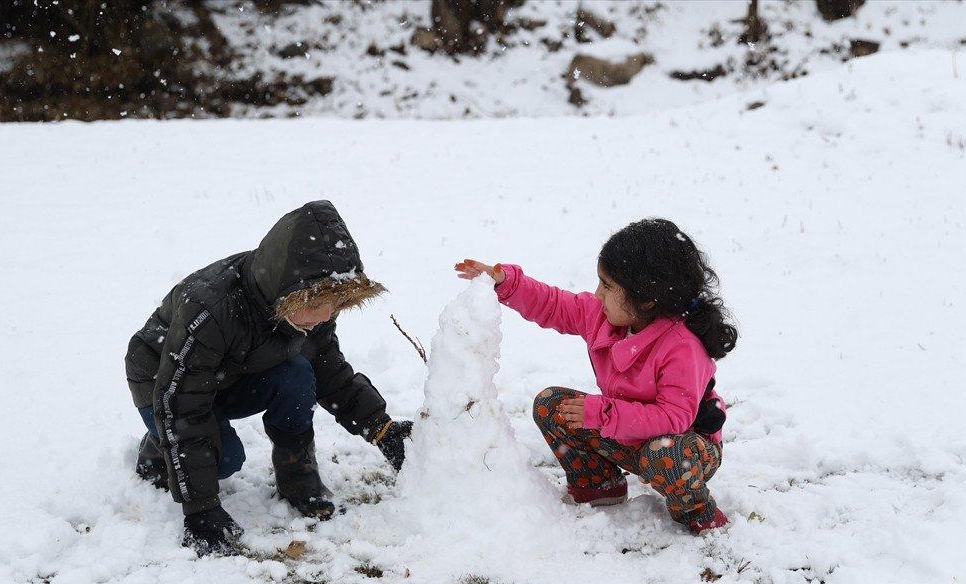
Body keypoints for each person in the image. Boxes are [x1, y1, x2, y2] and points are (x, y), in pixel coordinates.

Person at [126, 200, 412, 556]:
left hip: (230, 374)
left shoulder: (307, 305)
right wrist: (201, 510)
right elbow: (181, 404)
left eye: (335, 303)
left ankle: (297, 472)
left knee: (298, 373)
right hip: (163, 383)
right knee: (225, 460)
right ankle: (158, 449)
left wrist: (382, 429)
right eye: (317, 303)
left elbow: (328, 370)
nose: (325, 315)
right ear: (286, 287)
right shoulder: (212, 309)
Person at [455, 218, 737, 533]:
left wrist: (602, 414)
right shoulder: (604, 316)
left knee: (665, 456)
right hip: (627, 433)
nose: (597, 294)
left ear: (646, 299)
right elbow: (554, 305)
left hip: (685, 448)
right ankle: (599, 484)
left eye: (608, 285)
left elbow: (674, 418)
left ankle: (697, 511)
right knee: (552, 406)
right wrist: (507, 283)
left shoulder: (683, 347)